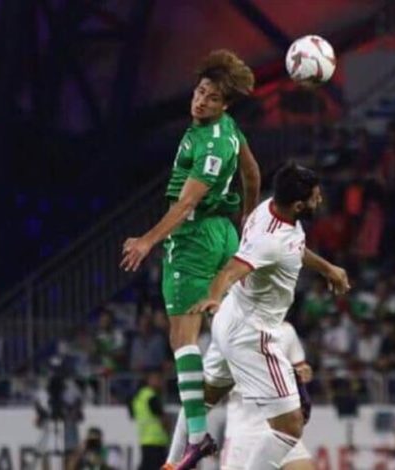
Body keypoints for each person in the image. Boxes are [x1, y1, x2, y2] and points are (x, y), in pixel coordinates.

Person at [120, 48, 261, 463]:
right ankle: (275, 385)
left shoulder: (210, 146)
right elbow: (252, 173)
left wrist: (147, 241)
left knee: (183, 337)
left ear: (224, 105)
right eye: (200, 92)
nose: (201, 101)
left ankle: (198, 436)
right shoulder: (228, 129)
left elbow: (184, 205)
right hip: (224, 233)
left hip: (193, 239)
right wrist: (248, 217)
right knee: (233, 324)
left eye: (212, 98)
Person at [185, 163, 349, 469]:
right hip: (252, 331)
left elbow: (293, 248)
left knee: (207, 396)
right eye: (315, 197)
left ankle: (179, 454)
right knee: (291, 426)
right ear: (298, 205)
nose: (320, 200)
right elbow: (231, 270)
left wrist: (327, 268)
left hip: (234, 317)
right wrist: (213, 296)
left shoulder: (270, 209)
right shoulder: (271, 240)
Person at [220, 322, 315, 470]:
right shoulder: (230, 329)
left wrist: (303, 372)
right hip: (245, 427)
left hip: (281, 424)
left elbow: (299, 366)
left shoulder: (286, 330)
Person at [130, 370, 170, 470]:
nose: (161, 382)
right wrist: (169, 431)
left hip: (145, 440)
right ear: (149, 380)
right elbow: (163, 418)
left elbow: (133, 414)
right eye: (158, 379)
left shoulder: (138, 397)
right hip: (157, 440)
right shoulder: (151, 396)